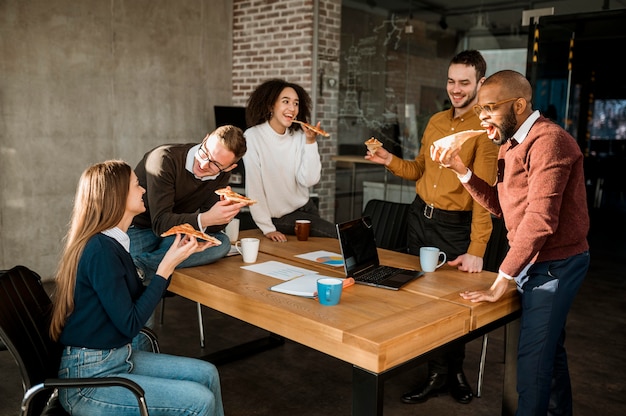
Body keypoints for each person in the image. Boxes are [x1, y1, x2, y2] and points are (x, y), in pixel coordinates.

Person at [434, 69, 590, 415]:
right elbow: (502, 206)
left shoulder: (549, 141)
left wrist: (501, 279)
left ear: (518, 105)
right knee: (550, 353)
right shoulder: (509, 144)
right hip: (533, 261)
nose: (483, 116)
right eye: (480, 110)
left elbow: (540, 220)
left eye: (490, 108)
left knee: (532, 366)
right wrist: (461, 169)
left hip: (556, 264)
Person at [366, 50, 499, 405]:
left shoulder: (485, 133)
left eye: (464, 82)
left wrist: (477, 249)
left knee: (450, 306)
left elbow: (483, 194)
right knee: (419, 301)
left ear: (480, 84)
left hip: (454, 228)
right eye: (451, 81)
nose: (456, 89)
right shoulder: (435, 121)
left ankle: (448, 372)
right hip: (418, 219)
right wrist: (388, 159)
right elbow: (418, 170)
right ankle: (441, 372)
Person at [49, 160, 225, 416]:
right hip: (90, 380)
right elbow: (130, 323)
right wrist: (165, 267)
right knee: (199, 401)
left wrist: (177, 257)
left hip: (118, 357)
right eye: (136, 185)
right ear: (117, 196)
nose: (143, 190)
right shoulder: (100, 250)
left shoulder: (114, 243)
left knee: (208, 373)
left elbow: (130, 303)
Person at [128, 124, 247, 283]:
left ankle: (140, 268)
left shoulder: (222, 175)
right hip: (140, 228)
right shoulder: (165, 159)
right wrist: (205, 219)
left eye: (215, 165)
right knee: (117, 262)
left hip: (175, 232)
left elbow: (210, 228)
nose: (204, 164)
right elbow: (160, 223)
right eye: (206, 153)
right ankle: (149, 265)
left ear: (229, 168)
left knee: (221, 243)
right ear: (205, 139)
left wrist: (223, 215)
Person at [243, 78, 337, 242]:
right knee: (337, 236)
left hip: (308, 209)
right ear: (270, 105)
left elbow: (309, 180)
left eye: (296, 103)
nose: (292, 108)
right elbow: (254, 187)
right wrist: (267, 228)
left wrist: (310, 142)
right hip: (282, 217)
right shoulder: (252, 137)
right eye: (285, 101)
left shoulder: (300, 136)